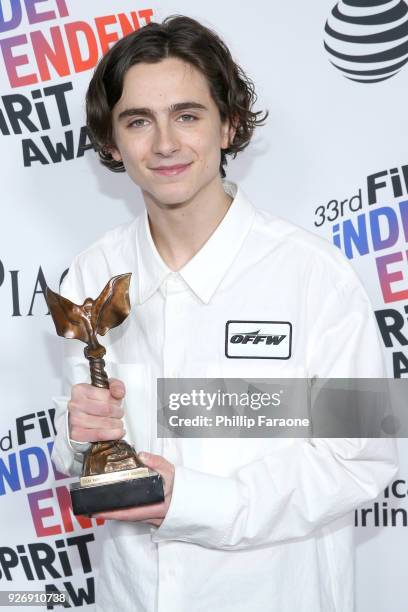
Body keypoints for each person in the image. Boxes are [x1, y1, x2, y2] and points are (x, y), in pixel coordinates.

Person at [51, 14, 398, 612]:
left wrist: (190, 499)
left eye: (187, 116)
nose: (164, 144)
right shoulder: (89, 274)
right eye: (139, 121)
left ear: (229, 124)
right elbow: (85, 453)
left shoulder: (318, 275)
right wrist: (79, 439)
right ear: (111, 141)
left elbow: (364, 459)